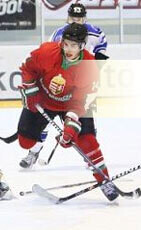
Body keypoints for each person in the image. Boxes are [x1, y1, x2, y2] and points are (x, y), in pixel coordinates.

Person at [17, 23, 118, 201]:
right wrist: (30, 89)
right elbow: (28, 69)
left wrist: (71, 126)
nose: (69, 49)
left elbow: (80, 102)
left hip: (72, 103)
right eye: (66, 44)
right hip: (43, 100)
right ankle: (33, 150)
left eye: (74, 45)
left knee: (88, 140)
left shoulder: (89, 66)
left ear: (82, 46)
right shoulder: (47, 52)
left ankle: (104, 180)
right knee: (25, 141)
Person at [21, 2, 109, 167]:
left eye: (80, 18)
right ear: (68, 17)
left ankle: (89, 156)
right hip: (60, 83)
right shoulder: (59, 33)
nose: (76, 20)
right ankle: (34, 151)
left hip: (82, 84)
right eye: (73, 17)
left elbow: (101, 57)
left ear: (85, 18)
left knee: (85, 120)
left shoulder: (97, 33)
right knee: (44, 119)